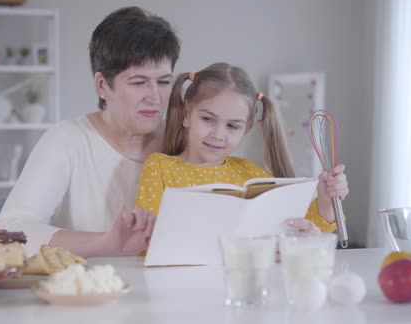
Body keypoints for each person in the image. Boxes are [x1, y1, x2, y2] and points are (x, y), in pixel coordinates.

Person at [0, 6, 181, 257]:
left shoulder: (182, 140)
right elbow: (8, 231)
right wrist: (106, 243)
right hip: (88, 292)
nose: (155, 97)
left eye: (164, 81)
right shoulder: (67, 140)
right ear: (103, 85)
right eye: (139, 82)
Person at [135, 63, 349, 231]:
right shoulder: (160, 168)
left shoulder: (251, 175)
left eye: (232, 126)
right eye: (208, 119)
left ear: (246, 129)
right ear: (186, 115)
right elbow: (147, 242)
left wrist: (325, 202)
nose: (218, 135)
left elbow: (295, 229)